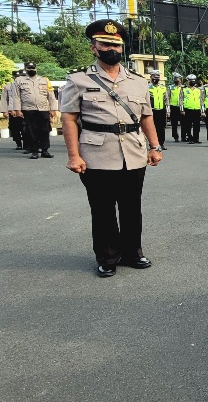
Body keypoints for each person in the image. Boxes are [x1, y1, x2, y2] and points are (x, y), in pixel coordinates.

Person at [60, 19, 163, 278]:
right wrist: (74, 155)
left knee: (131, 207)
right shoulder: (78, 80)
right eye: (105, 44)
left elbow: (146, 117)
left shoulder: (138, 81)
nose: (111, 49)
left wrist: (155, 146)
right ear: (94, 47)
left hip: (133, 153)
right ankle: (107, 257)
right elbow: (69, 118)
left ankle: (132, 253)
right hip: (96, 154)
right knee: (103, 209)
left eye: (116, 44)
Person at [12, 62, 58, 159]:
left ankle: (45, 150)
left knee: (45, 130)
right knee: (32, 131)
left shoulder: (44, 80)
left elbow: (51, 96)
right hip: (28, 109)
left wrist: (53, 109)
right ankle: (34, 151)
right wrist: (17, 110)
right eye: (29, 68)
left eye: (33, 68)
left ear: (36, 68)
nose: (31, 70)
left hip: (43, 109)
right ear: (26, 69)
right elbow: (16, 96)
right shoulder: (19, 80)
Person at [1, 74, 25, 150]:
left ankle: (27, 144)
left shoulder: (25, 86)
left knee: (25, 128)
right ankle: (18, 143)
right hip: (13, 111)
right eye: (15, 77)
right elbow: (4, 100)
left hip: (24, 111)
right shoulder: (8, 87)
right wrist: (5, 111)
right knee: (14, 128)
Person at [148, 70, 168, 151]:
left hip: (161, 110)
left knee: (161, 127)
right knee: (153, 128)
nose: (156, 79)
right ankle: (153, 144)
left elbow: (166, 99)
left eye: (158, 77)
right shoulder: (147, 87)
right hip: (152, 110)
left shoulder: (162, 87)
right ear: (151, 77)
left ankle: (161, 143)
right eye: (154, 77)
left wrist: (168, 110)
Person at [181, 74, 202, 144]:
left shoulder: (198, 90)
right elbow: (180, 100)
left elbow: (201, 100)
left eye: (193, 81)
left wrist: (202, 110)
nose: (192, 82)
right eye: (190, 81)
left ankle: (196, 138)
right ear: (187, 81)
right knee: (188, 125)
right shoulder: (184, 90)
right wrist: (182, 110)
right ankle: (190, 138)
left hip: (196, 109)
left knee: (197, 125)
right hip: (188, 109)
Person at [169, 73, 183, 142]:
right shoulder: (170, 87)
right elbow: (168, 97)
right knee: (174, 123)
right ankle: (175, 136)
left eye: (177, 79)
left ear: (180, 80)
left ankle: (184, 137)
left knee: (183, 122)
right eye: (175, 79)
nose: (176, 80)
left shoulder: (183, 88)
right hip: (173, 107)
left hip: (182, 107)